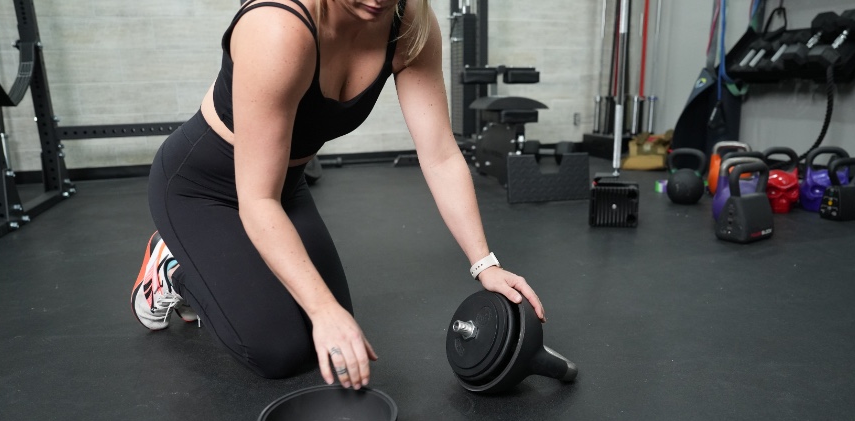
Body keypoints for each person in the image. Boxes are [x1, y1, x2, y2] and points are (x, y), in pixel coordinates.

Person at [130, 0, 545, 390]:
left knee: (326, 339)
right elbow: (256, 199)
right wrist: (322, 309)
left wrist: (484, 263)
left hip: (283, 189)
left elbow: (438, 152)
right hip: (203, 189)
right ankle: (171, 266)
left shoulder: (408, 22)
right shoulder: (277, 27)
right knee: (279, 351)